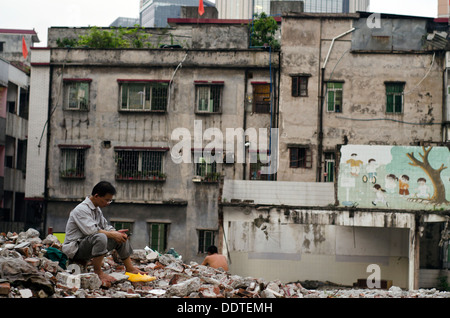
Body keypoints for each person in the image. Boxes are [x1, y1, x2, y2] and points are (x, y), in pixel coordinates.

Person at [62, 181, 146, 285]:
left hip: (88, 245)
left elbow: (105, 226)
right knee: (100, 237)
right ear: (96, 196)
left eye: (110, 201)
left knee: (120, 237)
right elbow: (91, 231)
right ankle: (98, 272)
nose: (107, 203)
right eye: (106, 200)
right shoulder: (81, 210)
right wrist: (112, 234)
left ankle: (130, 268)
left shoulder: (96, 210)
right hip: (75, 249)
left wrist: (115, 233)